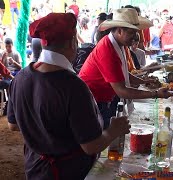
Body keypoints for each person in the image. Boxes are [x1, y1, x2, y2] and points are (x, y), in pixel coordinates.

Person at [7, 13, 130, 180]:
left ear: (44, 43)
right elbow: (91, 145)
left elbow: (13, 125)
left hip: (35, 167)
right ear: (73, 42)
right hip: (67, 172)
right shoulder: (74, 87)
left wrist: (43, 132)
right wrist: (114, 130)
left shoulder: (20, 77)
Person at [79, 8, 173, 129]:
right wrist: (155, 94)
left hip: (101, 99)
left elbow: (122, 74)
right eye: (131, 33)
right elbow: (121, 91)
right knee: (104, 138)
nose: (135, 37)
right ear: (119, 31)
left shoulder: (118, 44)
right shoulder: (108, 50)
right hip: (93, 103)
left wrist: (144, 81)